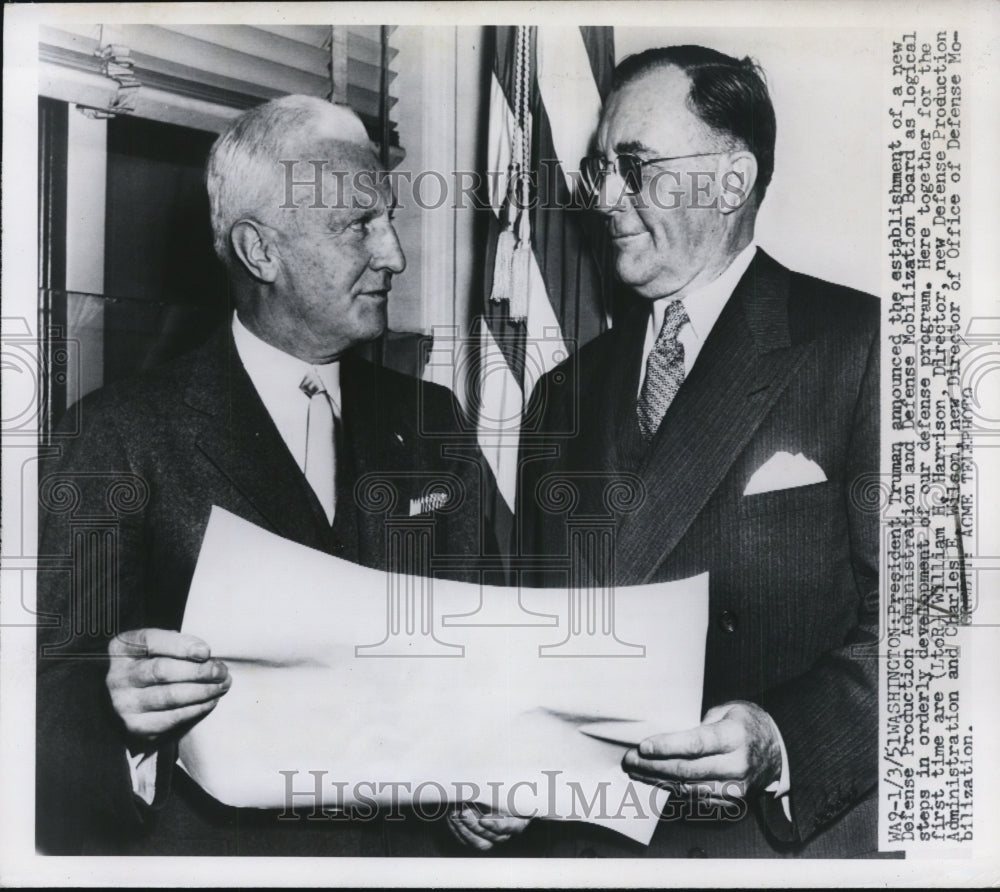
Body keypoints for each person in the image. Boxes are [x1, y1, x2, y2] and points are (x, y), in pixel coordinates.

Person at [36, 95, 493, 856]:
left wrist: (493, 783)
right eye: (358, 225)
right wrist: (124, 728)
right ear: (260, 252)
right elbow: (45, 707)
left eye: (388, 220)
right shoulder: (118, 434)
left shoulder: (433, 420)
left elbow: (495, 641)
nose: (394, 256)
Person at [505, 45, 881, 858]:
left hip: (766, 848)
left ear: (731, 181)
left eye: (634, 168)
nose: (604, 198)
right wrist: (488, 772)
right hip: (584, 848)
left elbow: (927, 636)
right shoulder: (561, 393)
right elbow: (527, 635)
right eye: (600, 169)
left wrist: (781, 738)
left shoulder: (862, 347)